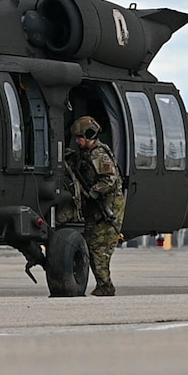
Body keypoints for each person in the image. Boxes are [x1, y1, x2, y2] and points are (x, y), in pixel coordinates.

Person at [66, 115, 126, 296]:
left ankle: (106, 286)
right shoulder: (87, 155)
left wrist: (93, 192)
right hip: (97, 208)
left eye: (80, 137)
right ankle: (103, 285)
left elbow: (109, 179)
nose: (78, 141)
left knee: (98, 248)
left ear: (90, 135)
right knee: (92, 245)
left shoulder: (99, 154)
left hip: (107, 208)